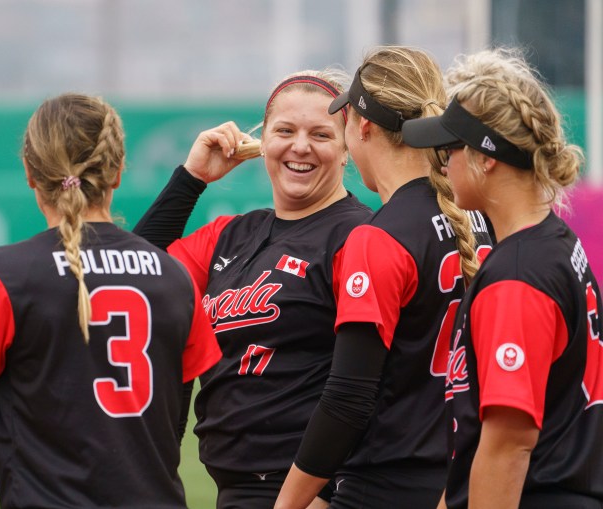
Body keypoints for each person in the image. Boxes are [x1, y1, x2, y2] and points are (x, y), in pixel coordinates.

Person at [0, 93, 221, 509]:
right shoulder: (175, 277)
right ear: (118, 171)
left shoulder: (4, 275)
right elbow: (170, 426)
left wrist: (39, 463)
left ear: (30, 172)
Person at [132, 69, 374, 508]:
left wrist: (336, 493)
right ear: (262, 140)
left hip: (313, 491)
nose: (300, 146)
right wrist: (191, 179)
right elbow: (133, 278)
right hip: (237, 488)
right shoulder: (230, 236)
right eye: (284, 130)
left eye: (320, 133)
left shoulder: (358, 237)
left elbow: (374, 383)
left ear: (346, 150)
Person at [274, 46, 493, 509]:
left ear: (363, 125)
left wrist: (287, 503)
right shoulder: (482, 219)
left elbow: (347, 399)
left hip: (388, 485)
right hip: (468, 482)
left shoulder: (381, 238)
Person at [402, 48, 603, 508]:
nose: (442, 164)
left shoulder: (518, 275)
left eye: (448, 149)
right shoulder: (555, 244)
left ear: (485, 157)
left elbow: (509, 445)